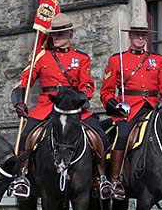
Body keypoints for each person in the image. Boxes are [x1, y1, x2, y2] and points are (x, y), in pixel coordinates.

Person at [10, 13, 110, 198]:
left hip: (72, 107)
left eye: (60, 34)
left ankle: (100, 178)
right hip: (46, 106)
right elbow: (24, 81)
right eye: (54, 34)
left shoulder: (81, 58)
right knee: (26, 137)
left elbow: (87, 85)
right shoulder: (41, 57)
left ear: (70, 35)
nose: (56, 37)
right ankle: (22, 177)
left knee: (100, 136)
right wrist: (19, 101)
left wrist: (80, 99)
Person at [100, 23, 162, 199]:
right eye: (136, 35)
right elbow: (106, 91)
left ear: (147, 37)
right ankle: (115, 179)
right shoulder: (117, 60)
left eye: (143, 35)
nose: (140, 38)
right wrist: (114, 105)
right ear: (130, 36)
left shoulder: (157, 59)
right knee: (123, 134)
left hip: (154, 106)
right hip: (130, 108)